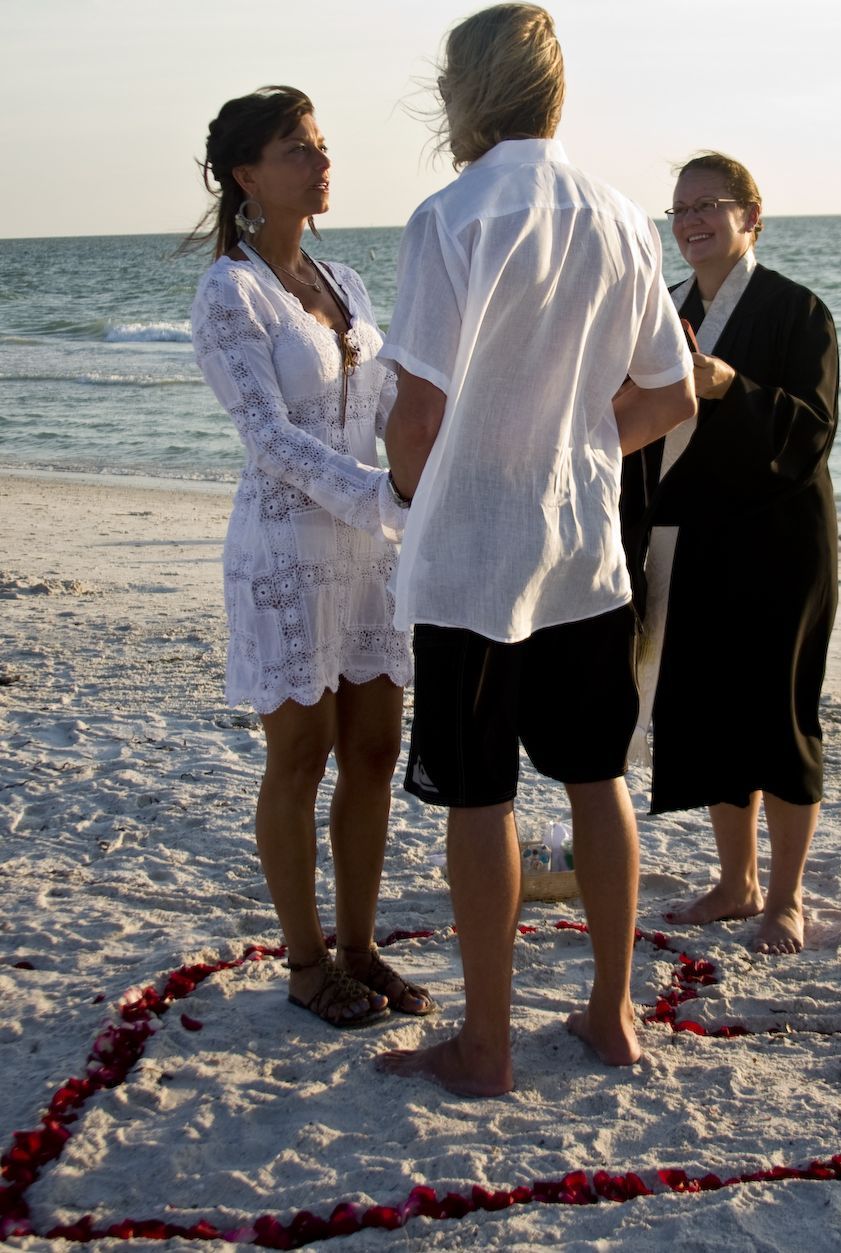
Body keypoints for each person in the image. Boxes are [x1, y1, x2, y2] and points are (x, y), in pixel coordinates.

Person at [374, 4, 695, 1096]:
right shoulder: (617, 216)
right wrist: (585, 446)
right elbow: (675, 387)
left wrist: (419, 496)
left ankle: (488, 1042)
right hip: (581, 543)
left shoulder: (450, 215)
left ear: (465, 93)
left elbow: (415, 411)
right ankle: (610, 1012)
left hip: (476, 551)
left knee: (480, 793)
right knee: (594, 777)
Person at [188, 86, 432, 1027]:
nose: (321, 163)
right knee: (301, 755)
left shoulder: (347, 284)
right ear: (249, 176)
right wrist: (384, 496)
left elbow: (382, 410)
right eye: (298, 149)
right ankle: (303, 962)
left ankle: (361, 948)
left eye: (322, 146)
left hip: (371, 553)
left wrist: (430, 466)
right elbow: (268, 437)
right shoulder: (229, 291)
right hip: (286, 549)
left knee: (374, 746)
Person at [622, 152, 838, 956]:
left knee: (777, 715)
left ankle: (782, 898)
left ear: (752, 216)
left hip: (782, 543)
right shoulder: (668, 308)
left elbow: (812, 431)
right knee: (709, 710)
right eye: (678, 210)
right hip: (693, 536)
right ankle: (735, 880)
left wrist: (726, 387)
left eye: (707, 205)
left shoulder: (798, 310)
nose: (690, 222)